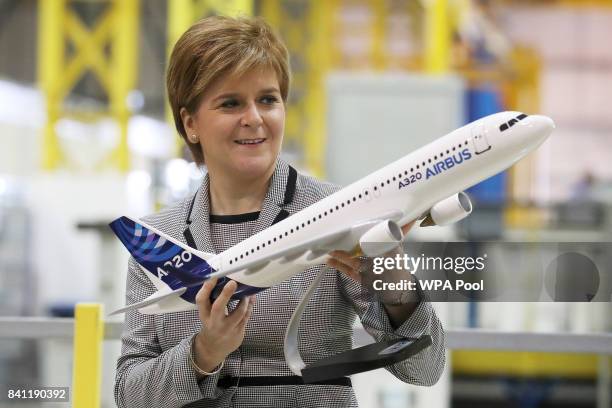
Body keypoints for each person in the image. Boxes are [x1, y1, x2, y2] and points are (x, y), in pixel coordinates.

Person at [114, 15, 445, 408]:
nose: (254, 117)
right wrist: (203, 354)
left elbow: (425, 369)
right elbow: (129, 395)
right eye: (231, 102)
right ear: (190, 124)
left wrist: (398, 289)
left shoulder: (338, 213)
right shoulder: (158, 239)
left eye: (268, 99)